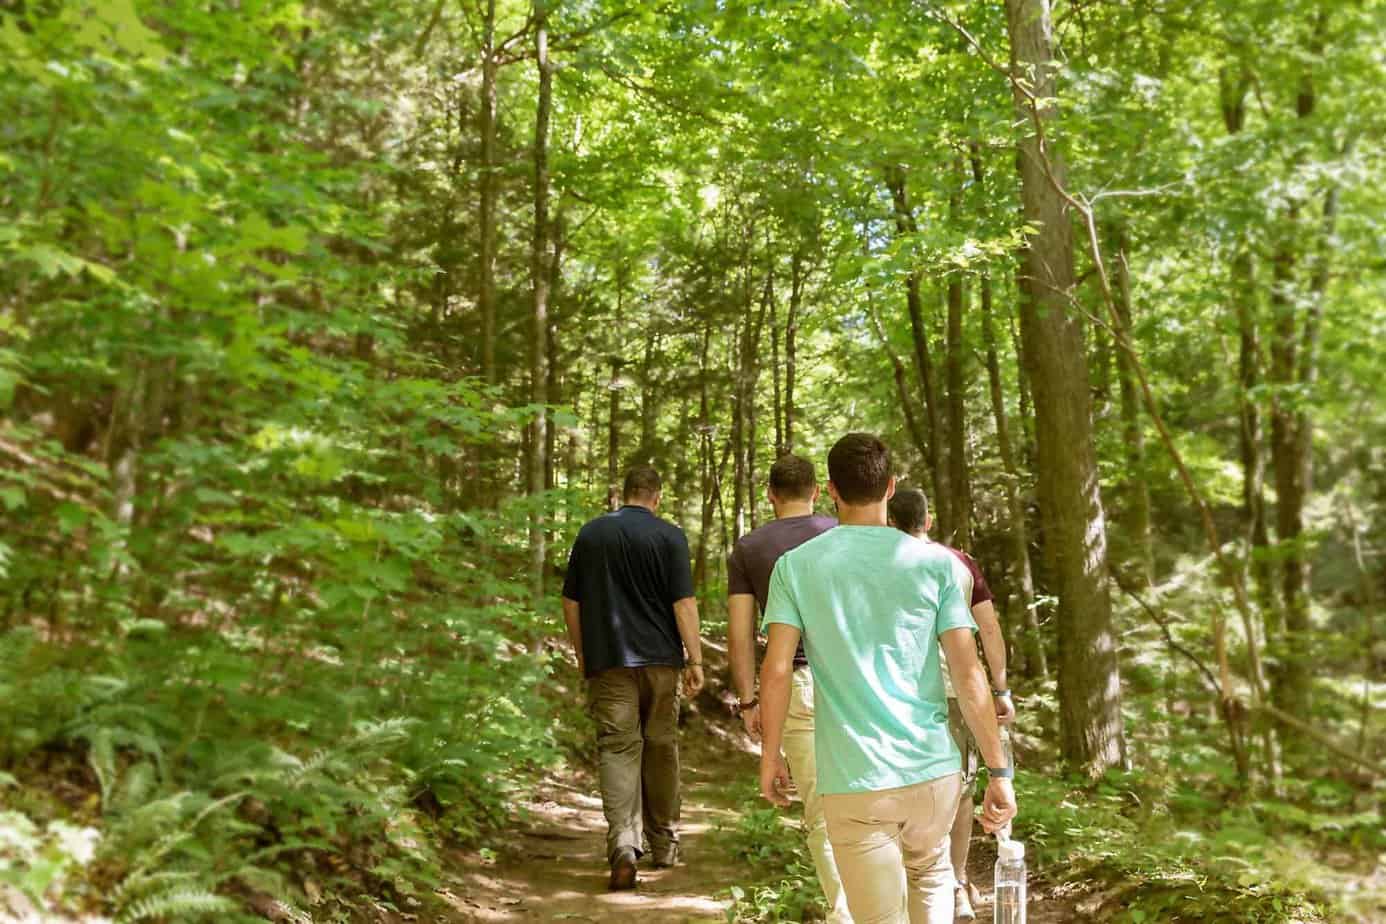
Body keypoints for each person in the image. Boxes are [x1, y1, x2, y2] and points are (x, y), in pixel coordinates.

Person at [758, 434, 1017, 924]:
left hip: (856, 781)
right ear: (891, 487)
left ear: (831, 490)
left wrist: (772, 756)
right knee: (932, 875)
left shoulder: (795, 567)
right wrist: (998, 771)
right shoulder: (937, 565)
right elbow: (968, 673)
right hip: (934, 775)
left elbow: (775, 671)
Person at [561, 464, 705, 891]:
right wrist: (695, 660)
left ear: (621, 496)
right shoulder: (670, 536)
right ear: (656, 498)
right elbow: (683, 604)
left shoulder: (592, 534)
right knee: (661, 748)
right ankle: (664, 844)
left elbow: (572, 603)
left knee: (619, 749)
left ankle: (624, 843)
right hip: (662, 663)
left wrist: (584, 655)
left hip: (611, 663)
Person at [726, 454, 850, 922]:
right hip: (853, 682)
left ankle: (846, 915)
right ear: (817, 491)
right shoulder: (841, 535)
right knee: (872, 805)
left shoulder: (749, 548)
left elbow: (740, 634)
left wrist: (748, 701)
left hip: (797, 687)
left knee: (822, 813)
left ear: (771, 495)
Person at [888, 486, 1016, 922]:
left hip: (895, 692)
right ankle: (955, 882)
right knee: (959, 788)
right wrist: (1000, 689)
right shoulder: (958, 563)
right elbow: (990, 629)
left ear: (889, 520)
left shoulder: (881, 563)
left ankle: (911, 880)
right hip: (953, 691)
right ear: (928, 520)